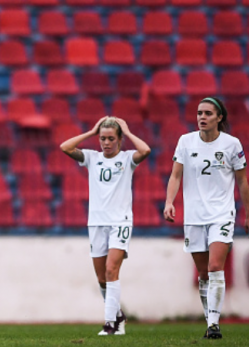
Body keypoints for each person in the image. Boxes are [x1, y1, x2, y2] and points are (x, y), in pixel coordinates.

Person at [164, 97, 249, 339]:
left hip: (221, 214)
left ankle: (214, 325)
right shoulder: (185, 141)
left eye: (208, 113)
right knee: (203, 274)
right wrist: (169, 202)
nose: (202, 117)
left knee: (215, 266)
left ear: (219, 118)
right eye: (199, 113)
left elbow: (242, 180)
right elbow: (175, 176)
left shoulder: (232, 144)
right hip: (194, 216)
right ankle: (210, 321)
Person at [60, 116, 151, 336]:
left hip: (120, 222)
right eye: (102, 138)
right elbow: (65, 147)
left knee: (112, 270)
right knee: (102, 278)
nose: (106, 143)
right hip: (96, 223)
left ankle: (110, 324)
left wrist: (128, 131)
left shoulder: (128, 158)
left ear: (119, 140)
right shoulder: (92, 158)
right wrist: (91, 132)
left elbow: (146, 150)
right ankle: (118, 315)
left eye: (111, 138)